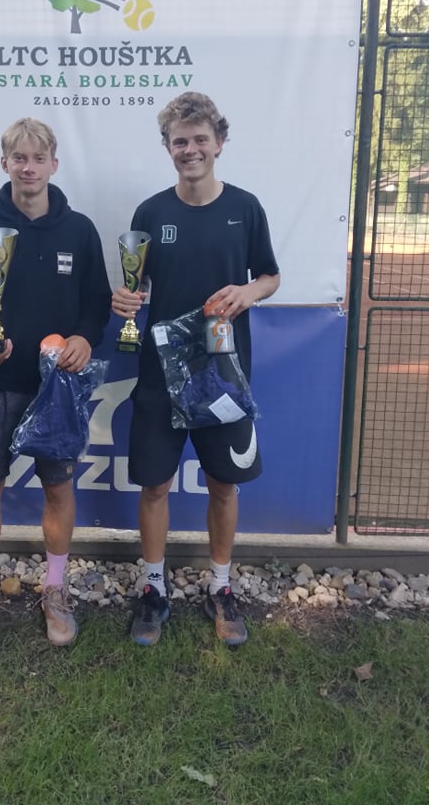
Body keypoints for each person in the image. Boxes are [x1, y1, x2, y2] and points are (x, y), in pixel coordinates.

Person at [111, 92, 280, 647]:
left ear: (219, 143)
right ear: (168, 147)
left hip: (223, 375)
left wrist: (248, 292)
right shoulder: (150, 213)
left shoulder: (246, 207)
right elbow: (137, 285)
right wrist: (127, 300)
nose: (191, 150)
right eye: (179, 141)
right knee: (155, 485)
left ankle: (221, 588)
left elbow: (271, 275)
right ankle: (154, 589)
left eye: (200, 139)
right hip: (162, 375)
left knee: (224, 485)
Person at [0, 118, 111, 652]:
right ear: (5, 164)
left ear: (53, 165)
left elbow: (96, 304)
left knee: (59, 488)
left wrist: (84, 338)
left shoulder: (80, 231)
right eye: (18, 157)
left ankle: (55, 590)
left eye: (38, 158)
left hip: (56, 388)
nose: (28, 167)